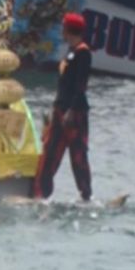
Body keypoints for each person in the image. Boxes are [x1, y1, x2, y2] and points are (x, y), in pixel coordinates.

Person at [34, 12, 92, 202]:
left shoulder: (83, 52)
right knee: (50, 152)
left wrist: (71, 111)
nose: (61, 31)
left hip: (74, 114)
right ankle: (41, 194)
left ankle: (85, 195)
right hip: (60, 109)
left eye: (63, 27)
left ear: (68, 30)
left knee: (78, 155)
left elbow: (80, 85)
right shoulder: (71, 51)